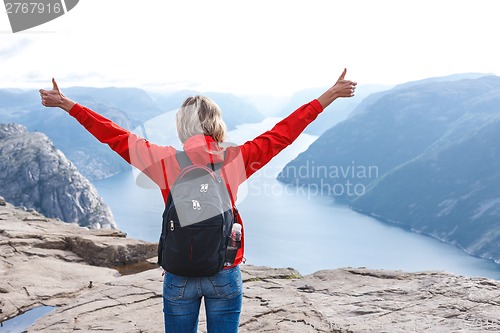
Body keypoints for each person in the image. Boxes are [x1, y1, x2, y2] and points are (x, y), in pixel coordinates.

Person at [39, 69, 356, 333]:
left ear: (181, 126)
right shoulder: (236, 159)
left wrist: (68, 104)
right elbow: (283, 133)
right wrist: (328, 96)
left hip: (178, 275)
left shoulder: (163, 161)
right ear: (216, 125)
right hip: (224, 270)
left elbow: (114, 135)